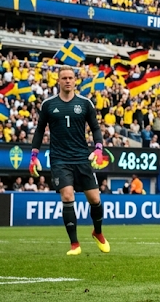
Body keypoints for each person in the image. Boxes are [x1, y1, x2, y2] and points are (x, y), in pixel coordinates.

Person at [29, 66, 109, 255]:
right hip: (59, 159)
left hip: (81, 157)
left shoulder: (85, 103)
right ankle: (75, 244)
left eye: (70, 78)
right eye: (63, 77)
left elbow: (96, 128)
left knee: (95, 200)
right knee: (67, 196)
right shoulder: (48, 104)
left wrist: (98, 148)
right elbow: (40, 130)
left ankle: (97, 232)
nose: (67, 80)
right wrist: (34, 155)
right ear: (58, 80)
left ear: (75, 81)